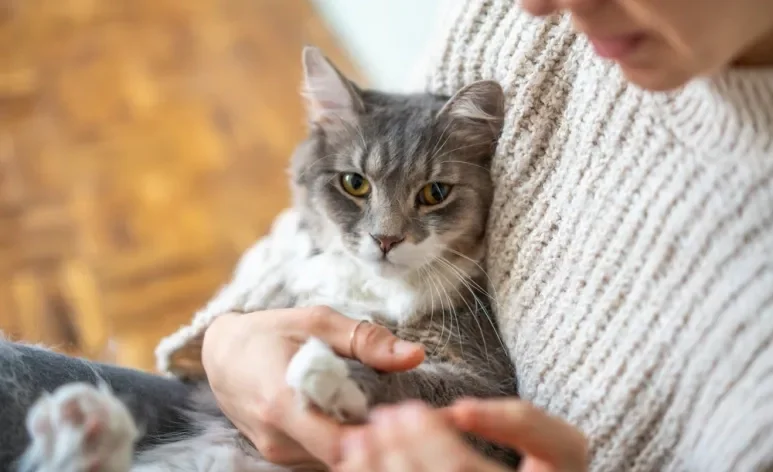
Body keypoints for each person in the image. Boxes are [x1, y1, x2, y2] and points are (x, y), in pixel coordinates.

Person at [1, 0, 771, 471]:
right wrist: (229, 339)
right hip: (226, 420)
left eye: (432, 196)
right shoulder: (524, 24)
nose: (537, 5)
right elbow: (301, 236)